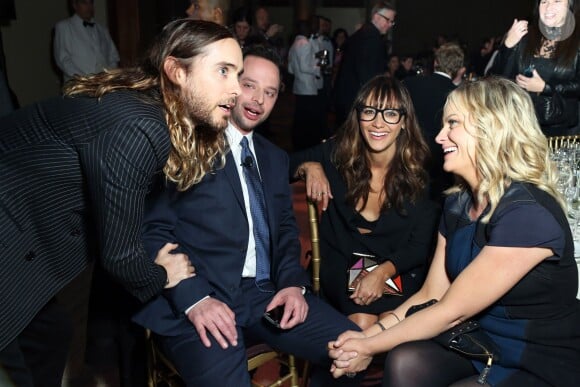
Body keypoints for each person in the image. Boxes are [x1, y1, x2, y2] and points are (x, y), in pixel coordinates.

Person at [0, 19, 241, 386]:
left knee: (50, 336)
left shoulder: (149, 108)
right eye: (223, 71)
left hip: (23, 234)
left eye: (237, 73)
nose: (236, 89)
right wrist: (164, 274)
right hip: (9, 234)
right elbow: (121, 256)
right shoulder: (140, 126)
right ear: (176, 71)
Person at [133, 44, 363, 387]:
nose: (258, 100)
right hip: (201, 296)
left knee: (354, 348)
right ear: (229, 83)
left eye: (270, 92)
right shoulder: (187, 144)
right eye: (250, 85)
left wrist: (292, 285)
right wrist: (195, 298)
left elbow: (285, 230)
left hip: (264, 294)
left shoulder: (274, 159)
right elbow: (151, 231)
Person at [328, 76, 580, 386]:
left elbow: (451, 311)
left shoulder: (526, 214)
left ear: (491, 129)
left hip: (540, 359)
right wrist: (365, 338)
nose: (439, 137)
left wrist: (367, 346)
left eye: (452, 123)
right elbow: (432, 293)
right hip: (479, 343)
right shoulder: (458, 203)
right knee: (405, 361)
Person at [289, 75, 439, 330]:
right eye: (369, 111)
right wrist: (309, 166)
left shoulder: (421, 172)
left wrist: (381, 273)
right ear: (358, 116)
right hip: (343, 260)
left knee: (391, 325)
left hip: (396, 265)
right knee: (363, 322)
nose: (378, 122)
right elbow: (279, 164)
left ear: (404, 121)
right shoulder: (337, 154)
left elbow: (419, 246)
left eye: (390, 113)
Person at [491, 0, 580, 136]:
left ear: (570, 6)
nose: (548, 7)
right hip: (522, 127)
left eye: (557, 1)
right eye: (544, 2)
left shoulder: (576, 41)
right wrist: (507, 46)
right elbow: (496, 79)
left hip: (561, 133)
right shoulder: (525, 36)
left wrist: (545, 88)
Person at [404, 42, 465, 202]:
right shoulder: (458, 95)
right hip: (439, 161)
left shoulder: (410, 84)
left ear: (436, 62)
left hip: (408, 153)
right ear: (458, 69)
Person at [333, 1, 396, 128]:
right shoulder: (372, 38)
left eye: (392, 22)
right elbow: (368, 75)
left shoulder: (363, 32)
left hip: (347, 96)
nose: (390, 25)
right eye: (388, 20)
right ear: (376, 16)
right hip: (356, 98)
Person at [54, 0, 120, 82]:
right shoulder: (64, 27)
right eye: (84, 3)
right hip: (78, 86)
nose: (89, 7)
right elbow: (63, 60)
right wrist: (85, 80)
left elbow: (113, 56)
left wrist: (109, 76)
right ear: (75, 5)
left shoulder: (102, 28)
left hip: (104, 86)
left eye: (91, 3)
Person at [288, 19, 327, 151]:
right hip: (308, 87)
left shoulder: (294, 43)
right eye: (310, 26)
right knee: (307, 118)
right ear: (304, 29)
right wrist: (318, 68)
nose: (312, 29)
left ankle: (298, 142)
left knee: (299, 117)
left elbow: (290, 68)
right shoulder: (305, 43)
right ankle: (306, 143)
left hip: (298, 85)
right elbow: (305, 67)